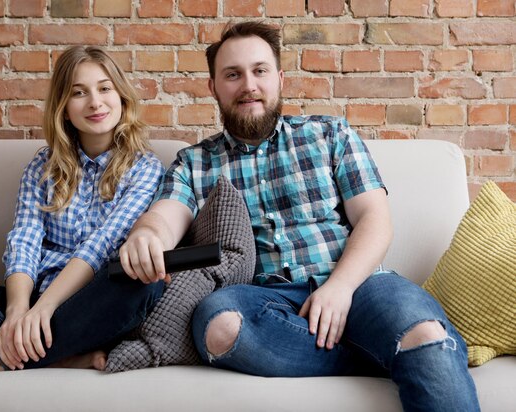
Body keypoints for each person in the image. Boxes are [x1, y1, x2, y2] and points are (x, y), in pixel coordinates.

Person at [118, 21, 480, 411]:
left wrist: (339, 288)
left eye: (260, 71)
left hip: (359, 285)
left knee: (424, 334)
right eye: (232, 75)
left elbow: (376, 219)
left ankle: (396, 344)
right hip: (265, 300)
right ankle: (380, 354)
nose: (248, 85)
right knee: (218, 326)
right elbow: (164, 219)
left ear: (279, 78)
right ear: (213, 86)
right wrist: (147, 235)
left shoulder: (330, 134)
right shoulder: (193, 163)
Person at [0, 46, 165, 372]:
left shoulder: (145, 167)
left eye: (105, 88)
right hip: (30, 296)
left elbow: (102, 244)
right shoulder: (43, 165)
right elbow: (25, 237)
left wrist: (44, 309)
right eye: (79, 92)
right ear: (64, 108)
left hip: (88, 306)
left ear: (121, 97)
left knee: (145, 283)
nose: (95, 102)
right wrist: (18, 311)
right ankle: (57, 356)